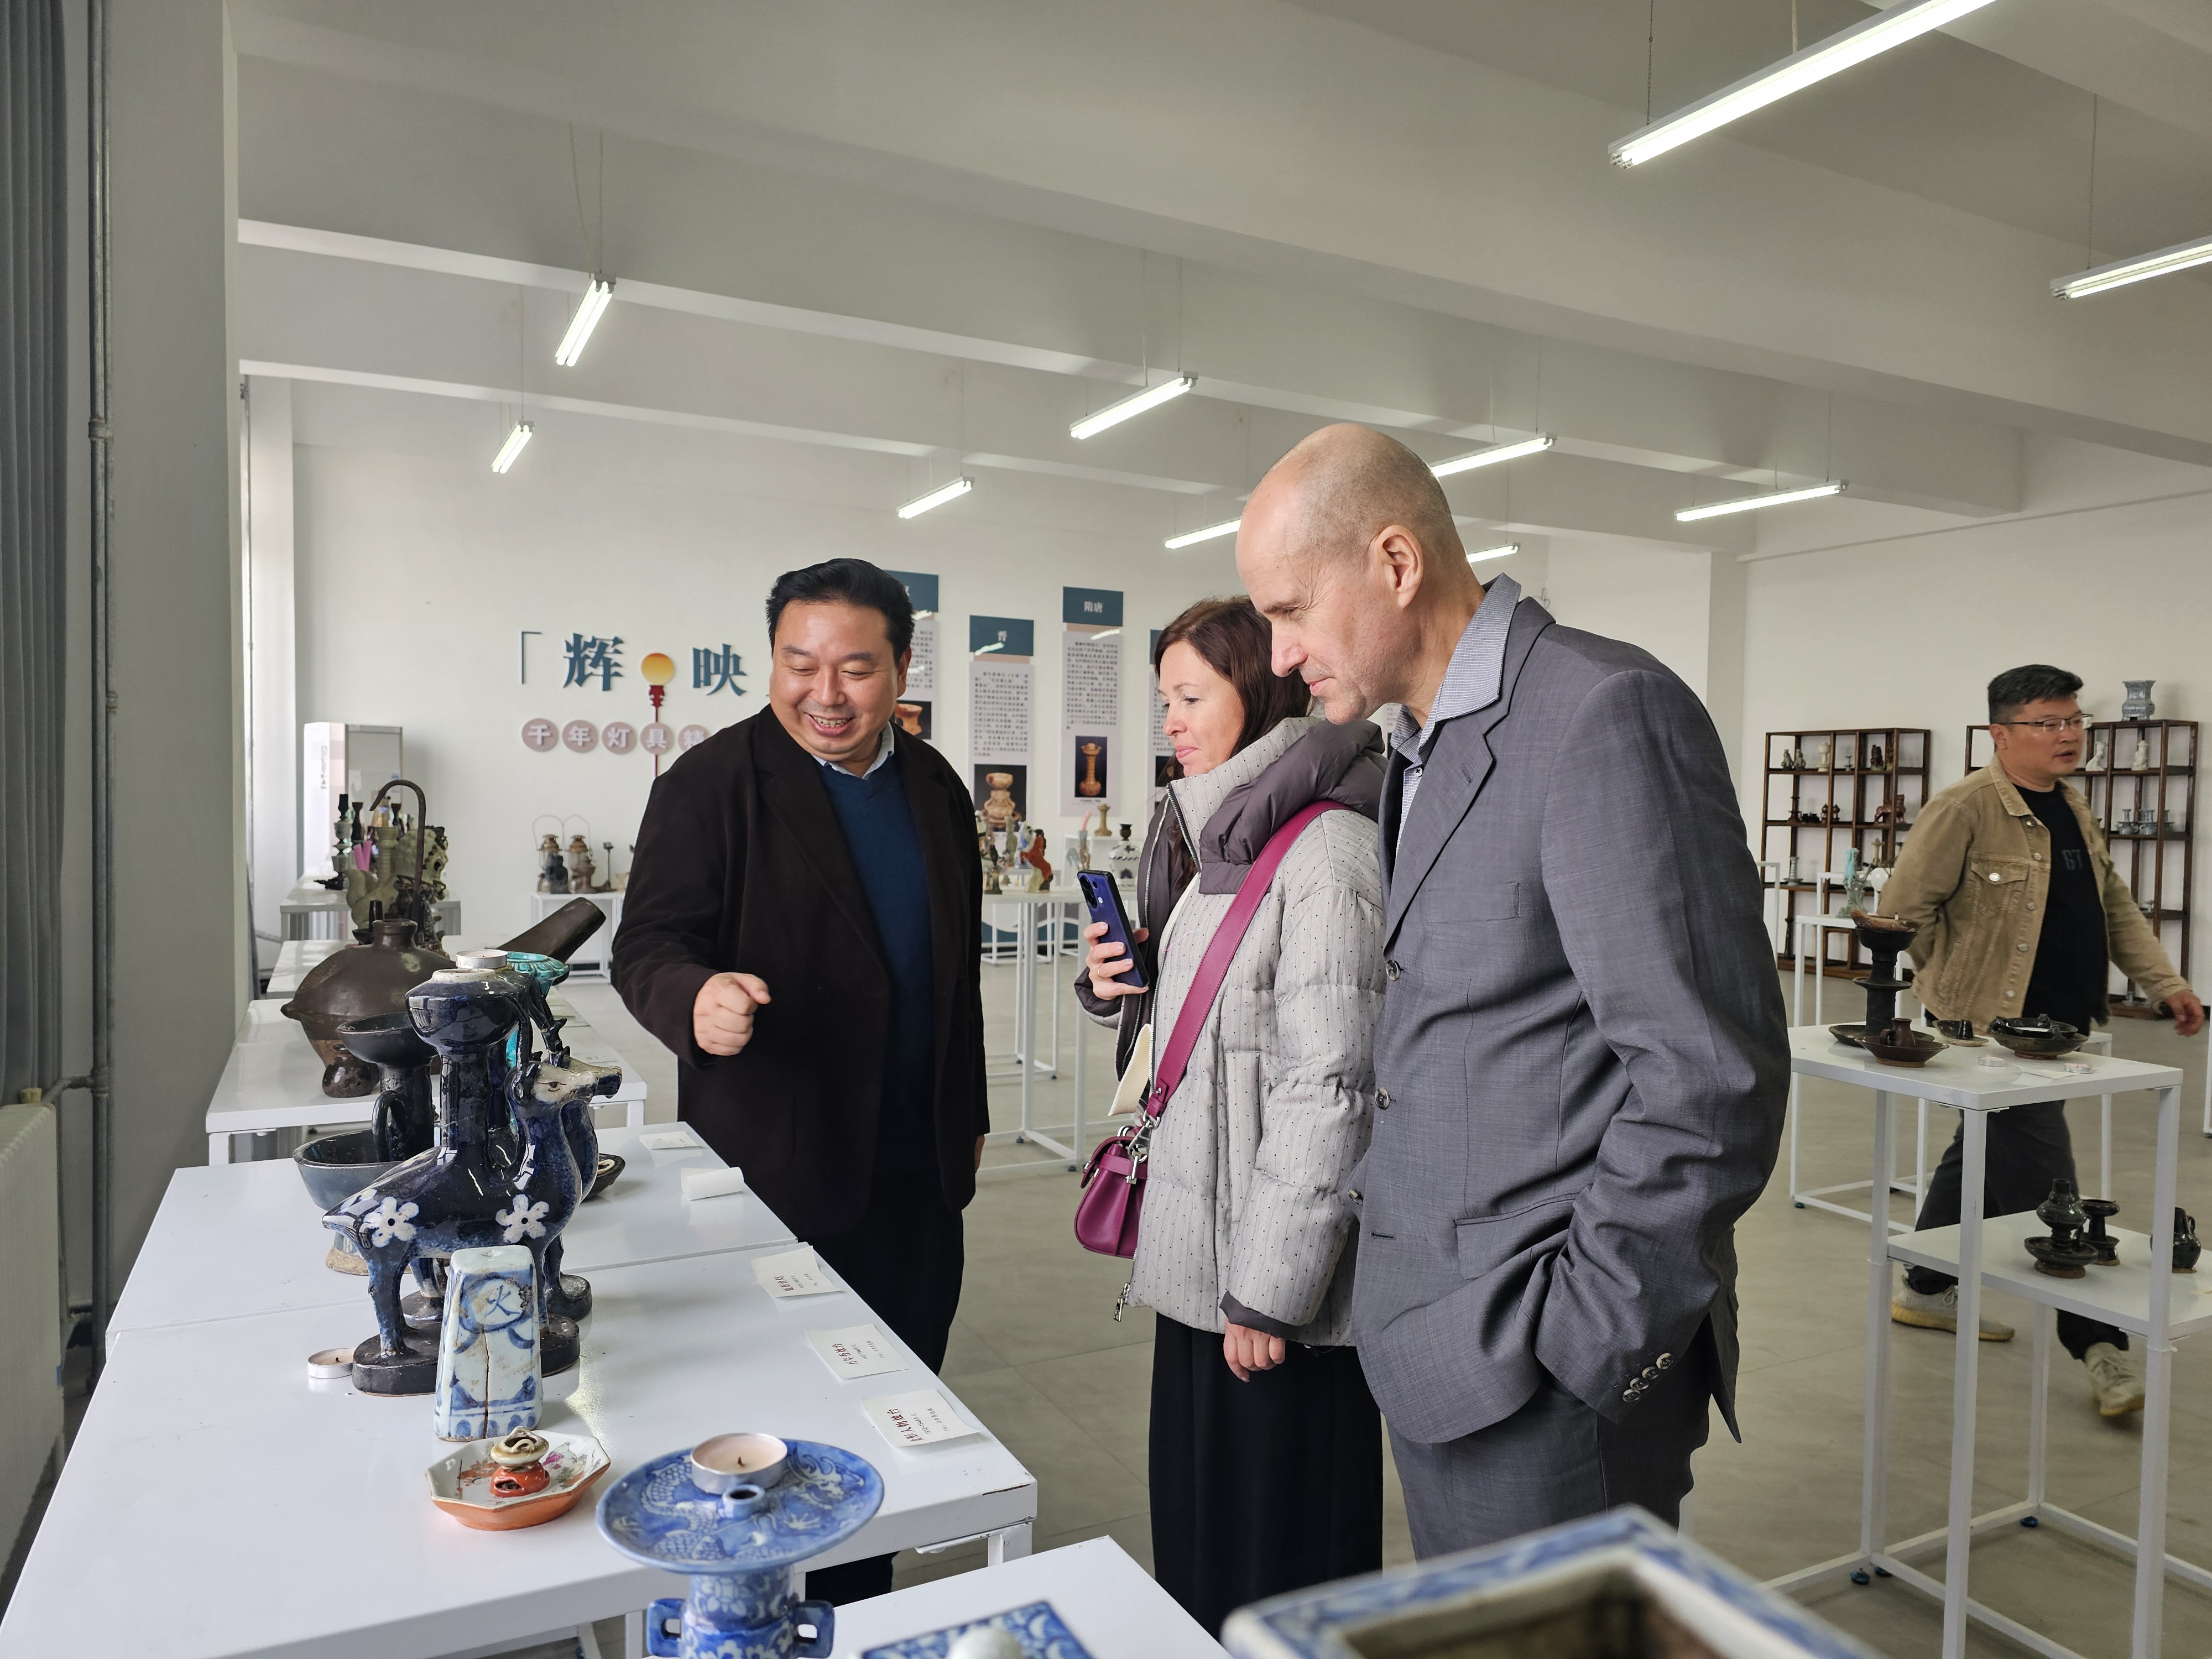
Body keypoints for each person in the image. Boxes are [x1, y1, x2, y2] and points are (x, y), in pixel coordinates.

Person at [1235, 423, 1789, 1558]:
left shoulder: (1601, 712)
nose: (1280, 656)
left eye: (1291, 611)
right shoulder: (1418, 745)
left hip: (1543, 1368)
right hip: (1442, 1347)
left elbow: (1708, 1081)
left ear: (1396, 563)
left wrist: (1580, 1343)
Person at [612, 557, 989, 1604]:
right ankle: (753, 1614)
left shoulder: (935, 788)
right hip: (776, 1170)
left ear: (901, 670)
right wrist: (694, 997)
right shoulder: (712, 785)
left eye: (856, 669)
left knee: (895, 1415)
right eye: (799, 664)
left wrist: (968, 1113)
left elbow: (955, 975)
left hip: (916, 1176)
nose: (826, 693)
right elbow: (646, 945)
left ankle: (858, 1605)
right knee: (774, 1435)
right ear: (772, 661)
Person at [1078, 596, 1387, 1635]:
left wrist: (1270, 1292)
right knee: (1201, 1549)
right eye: (1164, 699)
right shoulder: (1221, 841)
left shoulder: (1328, 854)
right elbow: (1205, 1031)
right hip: (1198, 1268)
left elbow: (1332, 1086)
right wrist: (1117, 985)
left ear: (1258, 695)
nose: (1169, 720)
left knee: (1281, 1569)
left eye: (1191, 697)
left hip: (1268, 1297)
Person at [1881, 663, 2205, 1417]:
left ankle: (1925, 1287)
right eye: (2048, 723)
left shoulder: (2072, 805)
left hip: (2062, 1029)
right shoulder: (1963, 808)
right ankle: (2099, 1347)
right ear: (2001, 734)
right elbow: (1903, 911)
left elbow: (2113, 905)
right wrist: (1949, 995)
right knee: (2052, 1188)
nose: (2068, 735)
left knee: (1980, 1153)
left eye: (2073, 721)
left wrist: (2164, 983)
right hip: (1993, 1036)